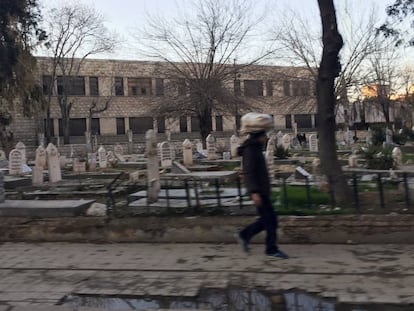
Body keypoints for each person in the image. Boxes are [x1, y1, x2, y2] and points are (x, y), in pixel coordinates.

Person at [237, 114, 288, 259]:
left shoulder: (255, 148)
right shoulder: (251, 150)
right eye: (264, 135)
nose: (266, 138)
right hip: (258, 191)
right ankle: (271, 249)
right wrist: (254, 192)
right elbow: (249, 172)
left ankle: (244, 235)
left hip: (262, 190)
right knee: (271, 220)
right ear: (258, 136)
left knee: (267, 219)